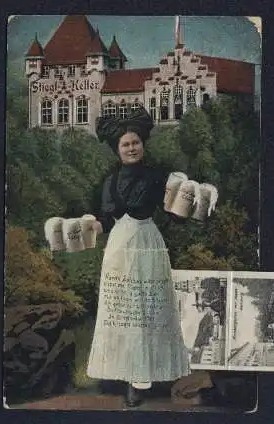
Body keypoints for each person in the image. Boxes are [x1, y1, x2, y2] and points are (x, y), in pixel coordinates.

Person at [86, 107, 190, 407]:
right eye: (125, 144)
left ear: (143, 144)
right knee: (123, 308)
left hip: (148, 242)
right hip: (120, 244)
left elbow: (174, 213)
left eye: (135, 143)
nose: (131, 148)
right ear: (117, 150)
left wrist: (186, 204)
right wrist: (92, 225)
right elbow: (106, 219)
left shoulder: (158, 177)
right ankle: (124, 373)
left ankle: (144, 378)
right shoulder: (110, 182)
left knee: (149, 308)